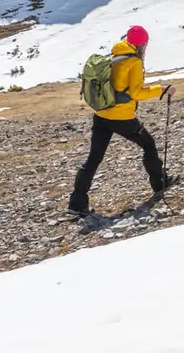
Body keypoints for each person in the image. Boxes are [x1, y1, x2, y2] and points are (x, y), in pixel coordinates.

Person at [68, 25, 175, 216]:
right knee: (149, 145)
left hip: (101, 115)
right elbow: (136, 93)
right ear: (143, 44)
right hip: (122, 118)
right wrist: (162, 89)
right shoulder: (133, 62)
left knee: (94, 158)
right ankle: (160, 184)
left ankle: (77, 205)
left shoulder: (114, 55)